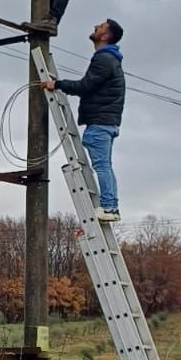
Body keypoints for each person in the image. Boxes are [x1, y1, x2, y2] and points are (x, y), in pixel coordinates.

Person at [42, 18, 125, 222]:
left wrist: (58, 84)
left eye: (101, 27)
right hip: (106, 121)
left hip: (100, 122)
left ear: (105, 36)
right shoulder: (109, 59)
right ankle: (111, 206)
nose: (95, 26)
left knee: (102, 166)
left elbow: (86, 86)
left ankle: (108, 207)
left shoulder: (104, 58)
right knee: (105, 165)